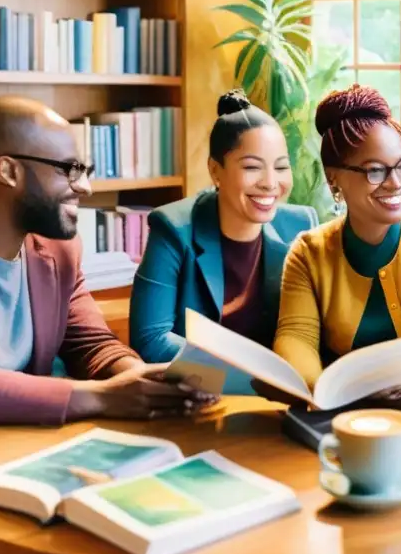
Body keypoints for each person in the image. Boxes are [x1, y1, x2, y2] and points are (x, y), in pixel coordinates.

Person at [0, 96, 213, 554]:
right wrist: (108, 398)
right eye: (68, 169)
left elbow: (92, 345)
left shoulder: (57, 250)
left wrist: (141, 381)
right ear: (8, 171)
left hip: (22, 455)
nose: (85, 186)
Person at [272, 85, 401, 390]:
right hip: (339, 411)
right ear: (334, 178)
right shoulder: (308, 253)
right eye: (375, 171)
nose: (396, 183)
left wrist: (365, 382)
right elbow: (295, 338)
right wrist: (323, 391)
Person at [129, 89, 318, 364]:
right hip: (201, 392)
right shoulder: (172, 228)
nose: (270, 182)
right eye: (252, 167)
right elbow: (150, 339)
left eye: (281, 167)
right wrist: (243, 376)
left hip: (279, 394)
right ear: (215, 171)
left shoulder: (302, 227)